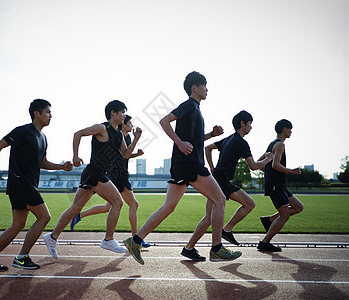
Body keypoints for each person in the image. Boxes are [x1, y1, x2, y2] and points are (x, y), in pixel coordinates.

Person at [123, 71, 242, 264]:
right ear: (194, 88)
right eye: (204, 86)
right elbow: (164, 121)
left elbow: (194, 141)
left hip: (182, 165)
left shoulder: (196, 109)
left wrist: (211, 134)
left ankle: (135, 240)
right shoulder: (189, 105)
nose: (207, 89)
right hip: (190, 164)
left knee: (168, 207)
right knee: (220, 199)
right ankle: (217, 248)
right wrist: (178, 142)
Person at [0, 99, 73, 271]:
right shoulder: (23, 131)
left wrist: (61, 167)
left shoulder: (43, 138)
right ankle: (22, 257)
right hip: (20, 182)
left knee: (18, 224)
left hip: (27, 184)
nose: (51, 115)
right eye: (48, 112)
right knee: (44, 217)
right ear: (36, 113)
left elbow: (42, 163)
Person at [43, 100, 142, 258]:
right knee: (118, 202)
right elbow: (78, 134)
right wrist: (75, 155)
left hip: (93, 174)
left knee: (75, 208)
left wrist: (136, 138)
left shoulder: (118, 134)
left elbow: (125, 155)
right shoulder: (102, 128)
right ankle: (108, 239)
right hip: (95, 173)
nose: (124, 115)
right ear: (113, 113)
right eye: (122, 112)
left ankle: (52, 237)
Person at [180, 110, 273, 261]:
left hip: (218, 178)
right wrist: (268, 159)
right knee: (249, 204)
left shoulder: (229, 139)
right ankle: (226, 230)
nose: (251, 127)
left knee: (208, 218)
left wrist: (211, 167)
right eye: (250, 124)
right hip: (222, 181)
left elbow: (207, 148)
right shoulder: (241, 142)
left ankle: (188, 248)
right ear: (242, 124)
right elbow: (253, 166)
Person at [69, 115, 151, 247]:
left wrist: (136, 152)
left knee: (109, 207)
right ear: (123, 125)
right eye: (129, 123)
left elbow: (125, 156)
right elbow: (121, 155)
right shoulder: (116, 136)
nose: (131, 125)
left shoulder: (125, 138)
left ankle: (78, 216)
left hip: (120, 174)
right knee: (132, 204)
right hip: (116, 175)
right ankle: (136, 239)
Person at [257, 119, 304, 252]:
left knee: (298, 207)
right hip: (275, 185)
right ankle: (264, 243)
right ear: (284, 129)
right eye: (290, 129)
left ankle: (270, 220)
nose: (291, 132)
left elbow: (260, 162)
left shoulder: (272, 144)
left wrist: (269, 174)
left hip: (278, 184)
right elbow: (275, 165)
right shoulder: (279, 145)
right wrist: (291, 171)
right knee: (284, 216)